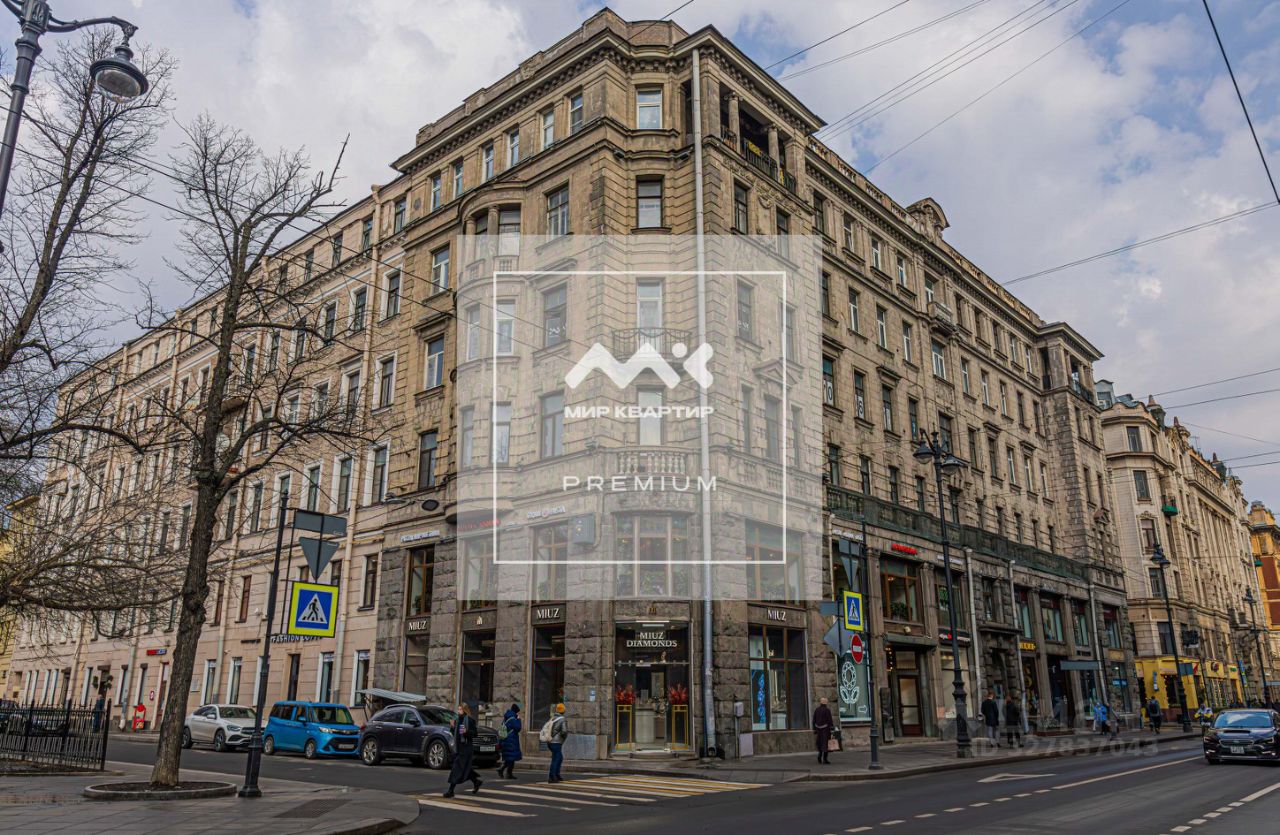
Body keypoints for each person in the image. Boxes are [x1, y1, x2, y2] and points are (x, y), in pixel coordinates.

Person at [443, 703, 482, 798]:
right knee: (465, 768)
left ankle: (451, 790)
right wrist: (452, 727)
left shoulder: (470, 720)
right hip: (458, 748)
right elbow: (455, 734)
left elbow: (475, 734)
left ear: (465, 710)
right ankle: (476, 781)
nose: (459, 711)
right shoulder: (457, 720)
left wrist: (466, 732)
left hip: (466, 748)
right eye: (458, 709)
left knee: (456, 768)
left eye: (460, 709)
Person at [497, 703, 522, 779]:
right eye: (518, 712)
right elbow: (518, 728)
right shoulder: (513, 719)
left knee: (510, 758)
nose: (518, 713)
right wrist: (519, 719)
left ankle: (506, 772)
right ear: (515, 711)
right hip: (511, 741)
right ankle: (504, 771)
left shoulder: (506, 718)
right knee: (511, 758)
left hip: (506, 740)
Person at [547, 703, 568, 783]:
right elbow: (564, 731)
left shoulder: (552, 718)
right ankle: (552, 777)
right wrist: (564, 737)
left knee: (559, 757)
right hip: (556, 742)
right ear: (563, 711)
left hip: (550, 741)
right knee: (556, 759)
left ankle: (557, 774)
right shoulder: (562, 719)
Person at [812, 697, 834, 763]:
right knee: (826, 744)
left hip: (818, 730)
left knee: (820, 743)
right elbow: (829, 720)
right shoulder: (827, 710)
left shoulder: (817, 710)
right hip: (825, 729)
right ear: (826, 702)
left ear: (820, 702)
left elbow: (814, 719)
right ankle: (825, 759)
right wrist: (832, 728)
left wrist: (814, 728)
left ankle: (819, 755)